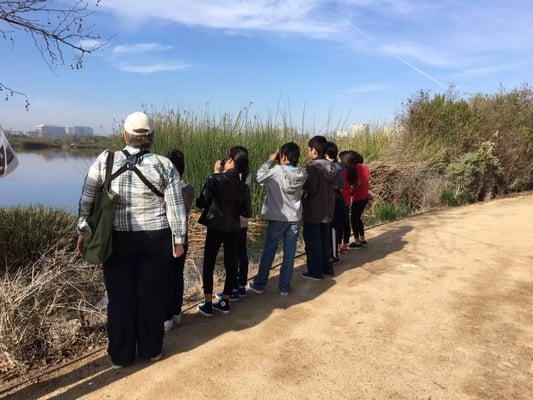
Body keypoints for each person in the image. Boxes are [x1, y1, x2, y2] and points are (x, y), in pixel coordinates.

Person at [77, 111, 187, 369]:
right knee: (151, 295)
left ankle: (120, 356)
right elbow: (175, 206)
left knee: (120, 297)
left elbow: (87, 199)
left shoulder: (105, 160)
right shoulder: (164, 164)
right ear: (151, 138)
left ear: (124, 135)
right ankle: (151, 349)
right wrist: (179, 240)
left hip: (116, 240)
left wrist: (83, 230)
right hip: (156, 239)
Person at [196, 146, 252, 317]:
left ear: (230, 160)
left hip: (215, 227)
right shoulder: (243, 187)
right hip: (233, 228)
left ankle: (207, 303)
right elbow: (247, 213)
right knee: (231, 263)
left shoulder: (215, 179)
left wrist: (214, 173)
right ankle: (224, 301)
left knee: (209, 263)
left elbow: (201, 202)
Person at [248, 142, 307, 295]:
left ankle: (260, 283)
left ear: (284, 157)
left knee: (269, 250)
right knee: (289, 253)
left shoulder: (277, 171)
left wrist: (270, 160)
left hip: (278, 217)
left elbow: (259, 177)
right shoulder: (303, 173)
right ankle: (284, 287)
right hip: (294, 217)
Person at [164, 149, 195, 332]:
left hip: (167, 239)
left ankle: (166, 317)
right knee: (178, 276)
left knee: (166, 278)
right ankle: (177, 314)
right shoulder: (189, 189)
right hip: (183, 238)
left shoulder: (163, 191)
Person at [302, 135, 336, 280]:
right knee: (324, 240)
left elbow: (311, 189)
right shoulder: (332, 167)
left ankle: (315, 271)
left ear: (314, 151)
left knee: (313, 242)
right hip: (328, 211)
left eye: (309, 149)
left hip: (314, 212)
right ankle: (326, 268)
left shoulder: (313, 168)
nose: (308, 152)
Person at [325, 142, 344, 263]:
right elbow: (341, 185)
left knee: (332, 227)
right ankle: (334, 252)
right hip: (338, 197)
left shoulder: (329, 166)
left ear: (326, 154)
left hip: (332, 197)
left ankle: (333, 255)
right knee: (335, 227)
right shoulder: (339, 166)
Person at [338, 151, 358, 253]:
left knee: (340, 224)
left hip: (341, 199)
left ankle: (338, 246)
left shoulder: (342, 170)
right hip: (346, 199)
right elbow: (354, 184)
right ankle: (345, 245)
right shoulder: (351, 170)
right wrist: (350, 192)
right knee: (345, 223)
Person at [350, 151, 370, 249]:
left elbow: (357, 183)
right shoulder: (365, 167)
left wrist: (351, 192)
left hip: (358, 197)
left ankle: (357, 242)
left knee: (354, 219)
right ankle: (363, 240)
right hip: (365, 196)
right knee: (358, 218)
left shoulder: (355, 168)